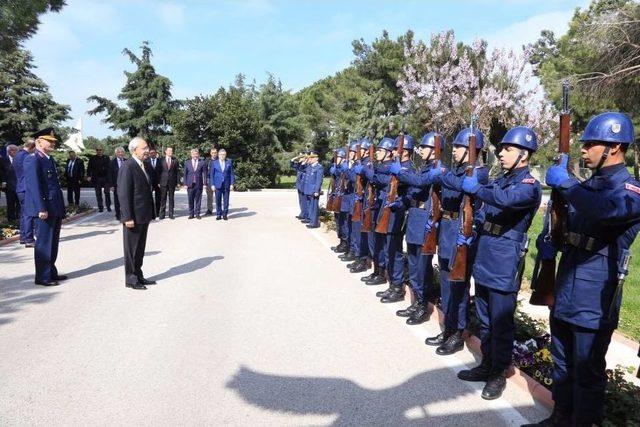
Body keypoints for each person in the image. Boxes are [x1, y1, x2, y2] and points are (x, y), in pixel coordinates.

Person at [524, 112, 640, 426]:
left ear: (614, 147)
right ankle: (559, 416)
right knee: (562, 362)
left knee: (587, 372)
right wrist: (554, 241)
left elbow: (606, 213)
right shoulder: (588, 186)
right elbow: (574, 222)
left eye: (591, 144)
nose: (583, 150)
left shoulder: (631, 190)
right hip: (566, 285)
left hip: (596, 294)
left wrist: (569, 186)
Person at [457, 126, 541, 400]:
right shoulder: (500, 180)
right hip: (486, 254)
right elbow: (487, 207)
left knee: (501, 321)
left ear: (524, 155)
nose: (501, 153)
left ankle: (498, 373)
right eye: (501, 149)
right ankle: (486, 364)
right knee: (484, 318)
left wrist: (478, 190)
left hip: (505, 258)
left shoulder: (528, 186)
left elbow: (504, 202)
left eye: (508, 149)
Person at [424, 127, 488, 356]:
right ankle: (448, 327)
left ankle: (458, 332)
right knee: (445, 283)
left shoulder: (478, 173)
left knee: (458, 287)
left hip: (462, 234)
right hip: (447, 231)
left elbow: (461, 185)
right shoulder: (456, 171)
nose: (455, 151)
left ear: (472, 150)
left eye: (460, 147)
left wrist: (442, 174)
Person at [390, 132, 444, 324]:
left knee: (422, 268)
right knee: (413, 265)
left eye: (425, 147)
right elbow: (413, 190)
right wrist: (401, 202)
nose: (420, 150)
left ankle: (423, 304)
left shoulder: (438, 170)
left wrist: (400, 172)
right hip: (414, 218)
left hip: (425, 223)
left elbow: (420, 183)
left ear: (435, 150)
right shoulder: (423, 169)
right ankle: (416, 301)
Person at [23, 128, 66, 286]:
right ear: (39, 142)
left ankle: (51, 272)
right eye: (49, 140)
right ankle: (42, 277)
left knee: (53, 243)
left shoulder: (49, 159)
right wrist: (41, 208)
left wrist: (61, 208)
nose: (53, 142)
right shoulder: (33, 159)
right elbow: (34, 187)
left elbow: (54, 186)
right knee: (44, 243)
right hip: (44, 209)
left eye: (53, 140)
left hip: (54, 207)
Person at [375, 135, 415, 304]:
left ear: (404, 152)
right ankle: (393, 283)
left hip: (397, 214)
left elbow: (408, 189)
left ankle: (397, 287)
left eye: (394, 150)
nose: (391, 153)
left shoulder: (407, 168)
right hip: (387, 211)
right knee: (388, 249)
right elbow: (381, 173)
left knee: (395, 251)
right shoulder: (395, 167)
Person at [117, 137, 156, 290]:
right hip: (133, 216)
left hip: (143, 214)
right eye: (144, 148)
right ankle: (131, 279)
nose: (147, 151)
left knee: (139, 249)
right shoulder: (128, 166)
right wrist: (127, 217)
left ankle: (138, 275)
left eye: (147, 148)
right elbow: (124, 194)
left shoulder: (143, 165)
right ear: (134, 150)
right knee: (131, 249)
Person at [360, 137, 394, 287]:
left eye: (380, 150)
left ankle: (382, 272)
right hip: (377, 206)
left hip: (384, 208)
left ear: (388, 153)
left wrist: (370, 170)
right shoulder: (381, 166)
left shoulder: (390, 167)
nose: (377, 153)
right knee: (377, 242)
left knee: (385, 245)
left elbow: (379, 178)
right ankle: (377, 271)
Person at [347, 138, 373, 273]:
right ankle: (359, 257)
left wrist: (357, 169)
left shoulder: (368, 163)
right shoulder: (362, 162)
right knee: (357, 231)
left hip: (364, 202)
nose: (357, 153)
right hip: (358, 201)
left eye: (360, 150)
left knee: (362, 233)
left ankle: (362, 259)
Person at [13, 139, 36, 246]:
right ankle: (29, 239)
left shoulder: (17, 155)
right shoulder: (27, 156)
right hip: (27, 188)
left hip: (20, 187)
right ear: (32, 147)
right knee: (29, 214)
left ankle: (23, 237)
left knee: (23, 214)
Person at [209, 148, 235, 220]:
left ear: (225, 155)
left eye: (224, 154)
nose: (222, 156)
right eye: (221, 154)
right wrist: (212, 184)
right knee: (218, 200)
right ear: (218, 155)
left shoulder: (229, 162)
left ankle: (225, 214)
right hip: (217, 184)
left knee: (226, 200)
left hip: (227, 184)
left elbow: (232, 174)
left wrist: (232, 184)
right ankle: (218, 214)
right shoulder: (214, 163)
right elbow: (211, 175)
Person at [86, 145, 111, 212]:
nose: (99, 151)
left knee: (107, 193)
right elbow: (89, 168)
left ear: (102, 150)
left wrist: (110, 178)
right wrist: (88, 176)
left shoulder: (106, 158)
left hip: (105, 178)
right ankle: (100, 207)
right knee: (98, 194)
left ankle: (108, 206)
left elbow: (109, 169)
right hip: (96, 178)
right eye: (97, 150)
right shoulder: (92, 158)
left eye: (100, 150)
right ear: (96, 151)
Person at [302, 151, 323, 228]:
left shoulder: (319, 167)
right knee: (310, 207)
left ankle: (314, 223)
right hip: (308, 190)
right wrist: (305, 161)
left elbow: (319, 180)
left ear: (316, 158)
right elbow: (300, 168)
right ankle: (311, 220)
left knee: (314, 207)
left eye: (312, 157)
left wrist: (317, 191)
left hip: (314, 191)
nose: (310, 159)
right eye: (310, 157)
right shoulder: (309, 166)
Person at [184, 148, 206, 219]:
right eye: (193, 154)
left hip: (199, 184)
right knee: (190, 199)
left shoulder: (202, 162)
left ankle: (197, 214)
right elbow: (185, 174)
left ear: (198, 154)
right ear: (191, 155)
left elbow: (205, 174)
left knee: (198, 199)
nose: (195, 155)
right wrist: (185, 184)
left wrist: (205, 183)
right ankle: (191, 214)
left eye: (196, 154)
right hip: (190, 184)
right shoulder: (187, 162)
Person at [158, 146, 179, 220]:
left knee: (171, 199)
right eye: (169, 151)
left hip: (172, 182)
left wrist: (177, 182)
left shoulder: (175, 160)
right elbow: (158, 172)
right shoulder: (160, 160)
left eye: (172, 151)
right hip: (163, 182)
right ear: (166, 152)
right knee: (163, 198)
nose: (171, 152)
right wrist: (158, 182)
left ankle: (171, 214)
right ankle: (162, 215)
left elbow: (177, 172)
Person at [0, 144, 19, 221]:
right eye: (14, 150)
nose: (16, 152)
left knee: (19, 203)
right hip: (9, 185)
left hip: (19, 185)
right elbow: (1, 172)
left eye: (16, 150)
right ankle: (11, 219)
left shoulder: (19, 159)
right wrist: (3, 181)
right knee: (10, 203)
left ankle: (19, 218)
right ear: (10, 151)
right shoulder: (3, 160)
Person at [108, 147, 127, 220]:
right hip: (116, 185)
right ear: (116, 153)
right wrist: (111, 185)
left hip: (126, 184)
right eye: (119, 152)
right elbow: (109, 175)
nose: (120, 153)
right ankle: (118, 215)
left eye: (122, 152)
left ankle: (125, 214)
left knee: (126, 200)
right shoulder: (112, 163)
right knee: (117, 200)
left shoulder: (126, 161)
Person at [291, 152, 308, 220]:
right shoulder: (299, 164)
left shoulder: (306, 165)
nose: (300, 158)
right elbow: (291, 163)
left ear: (305, 158)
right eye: (299, 157)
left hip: (304, 185)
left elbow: (302, 168)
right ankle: (302, 213)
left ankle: (305, 214)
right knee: (301, 200)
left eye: (301, 157)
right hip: (299, 185)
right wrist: (296, 158)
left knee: (304, 200)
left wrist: (305, 160)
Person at [146, 148, 163, 217]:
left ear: (156, 153)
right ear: (149, 154)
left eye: (154, 153)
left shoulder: (161, 161)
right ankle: (152, 213)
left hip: (158, 182)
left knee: (158, 198)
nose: (153, 154)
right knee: (149, 198)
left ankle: (158, 212)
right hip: (149, 182)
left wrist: (161, 181)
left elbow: (162, 172)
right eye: (151, 153)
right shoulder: (146, 161)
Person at [204, 147, 218, 216]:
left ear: (217, 153)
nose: (214, 154)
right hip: (209, 181)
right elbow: (205, 172)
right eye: (212, 153)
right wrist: (205, 183)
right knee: (209, 197)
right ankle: (209, 210)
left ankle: (219, 209)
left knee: (218, 196)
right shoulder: (207, 161)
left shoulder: (219, 160)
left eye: (215, 153)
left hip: (217, 181)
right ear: (210, 153)